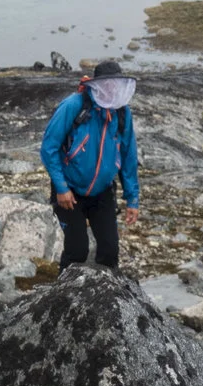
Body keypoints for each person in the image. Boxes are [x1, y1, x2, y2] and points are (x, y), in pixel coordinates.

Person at [40, 60, 141, 268]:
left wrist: (132, 199)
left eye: (116, 85)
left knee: (110, 250)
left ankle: (106, 297)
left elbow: (128, 155)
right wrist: (61, 187)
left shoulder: (122, 112)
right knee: (77, 250)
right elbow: (49, 148)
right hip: (70, 192)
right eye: (107, 84)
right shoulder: (74, 105)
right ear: (96, 84)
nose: (112, 89)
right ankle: (63, 296)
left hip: (102, 192)